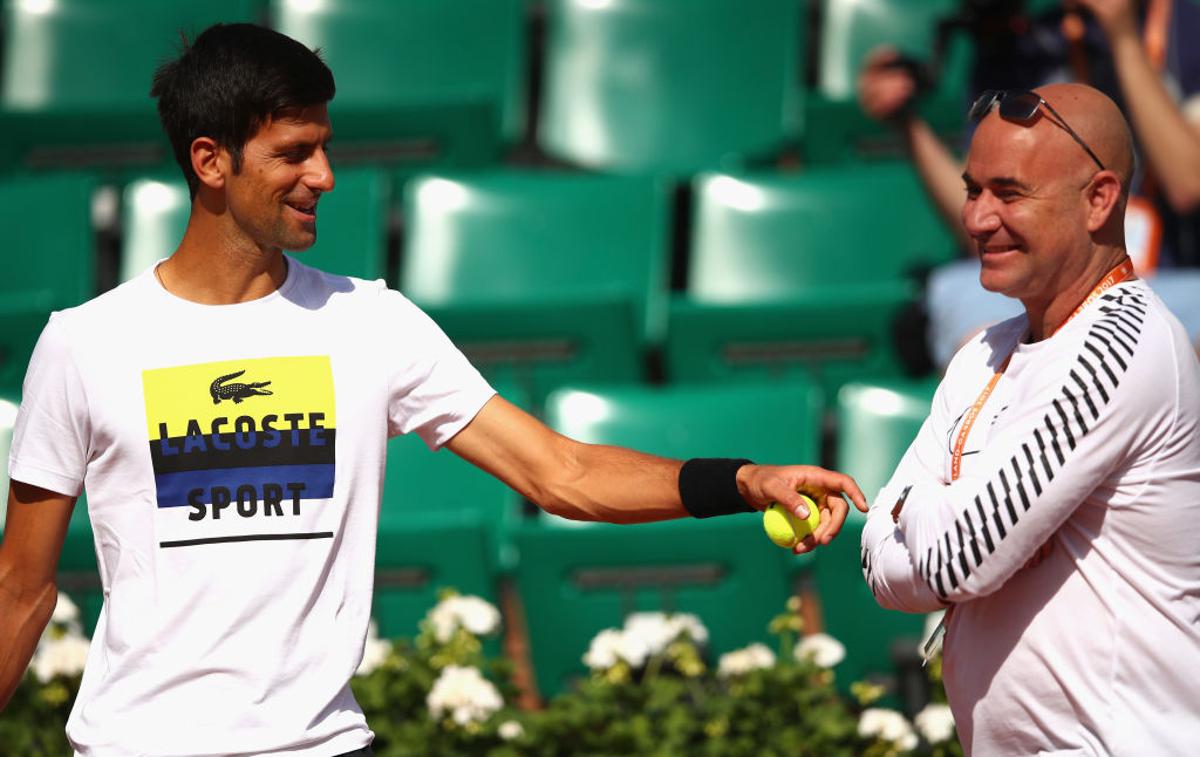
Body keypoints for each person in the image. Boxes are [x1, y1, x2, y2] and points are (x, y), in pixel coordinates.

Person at [0, 23, 867, 756]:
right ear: (210, 161)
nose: (325, 176)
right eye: (293, 153)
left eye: (326, 146)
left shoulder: (370, 321)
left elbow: (559, 472)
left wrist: (744, 479)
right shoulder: (84, 344)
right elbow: (21, 589)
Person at [860, 82, 1200, 753]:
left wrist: (916, 502)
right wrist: (953, 514)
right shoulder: (982, 352)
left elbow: (954, 560)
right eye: (973, 189)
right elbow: (879, 566)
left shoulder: (1125, 344)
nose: (979, 218)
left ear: (1099, 199)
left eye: (1009, 193)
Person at [858, 0, 1200, 369]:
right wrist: (908, 125)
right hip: (1043, 282)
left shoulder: (1185, 18)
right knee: (967, 302)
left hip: (1172, 281)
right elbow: (986, 221)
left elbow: (1188, 183)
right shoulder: (1018, 34)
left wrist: (1123, 35)